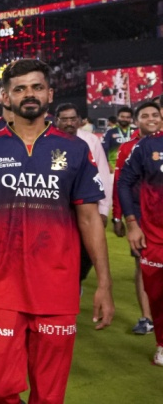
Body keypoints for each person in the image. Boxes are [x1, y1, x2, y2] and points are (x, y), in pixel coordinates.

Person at [0, 58, 114, 404]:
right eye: (20, 88)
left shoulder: (75, 149)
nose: (29, 94)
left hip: (56, 288)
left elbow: (89, 219)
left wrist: (103, 283)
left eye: (36, 87)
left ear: (49, 93)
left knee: (49, 394)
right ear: (4, 97)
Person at [118, 104, 163, 367]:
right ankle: (161, 343)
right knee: (157, 294)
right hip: (155, 235)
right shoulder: (146, 147)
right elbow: (124, 182)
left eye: (153, 114)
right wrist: (132, 223)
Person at [55, 103, 113, 282]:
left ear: (80, 121)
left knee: (84, 256)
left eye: (73, 119)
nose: (69, 123)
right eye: (64, 119)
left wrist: (103, 211)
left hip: (87, 208)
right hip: (59, 212)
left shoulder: (90, 141)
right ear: (56, 121)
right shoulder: (51, 142)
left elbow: (103, 174)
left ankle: (75, 288)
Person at [103, 106, 135, 171]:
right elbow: (104, 148)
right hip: (114, 167)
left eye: (127, 117)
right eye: (122, 117)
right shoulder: (110, 132)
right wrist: (107, 164)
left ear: (131, 119)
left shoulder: (137, 132)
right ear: (118, 117)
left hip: (133, 167)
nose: (125, 119)